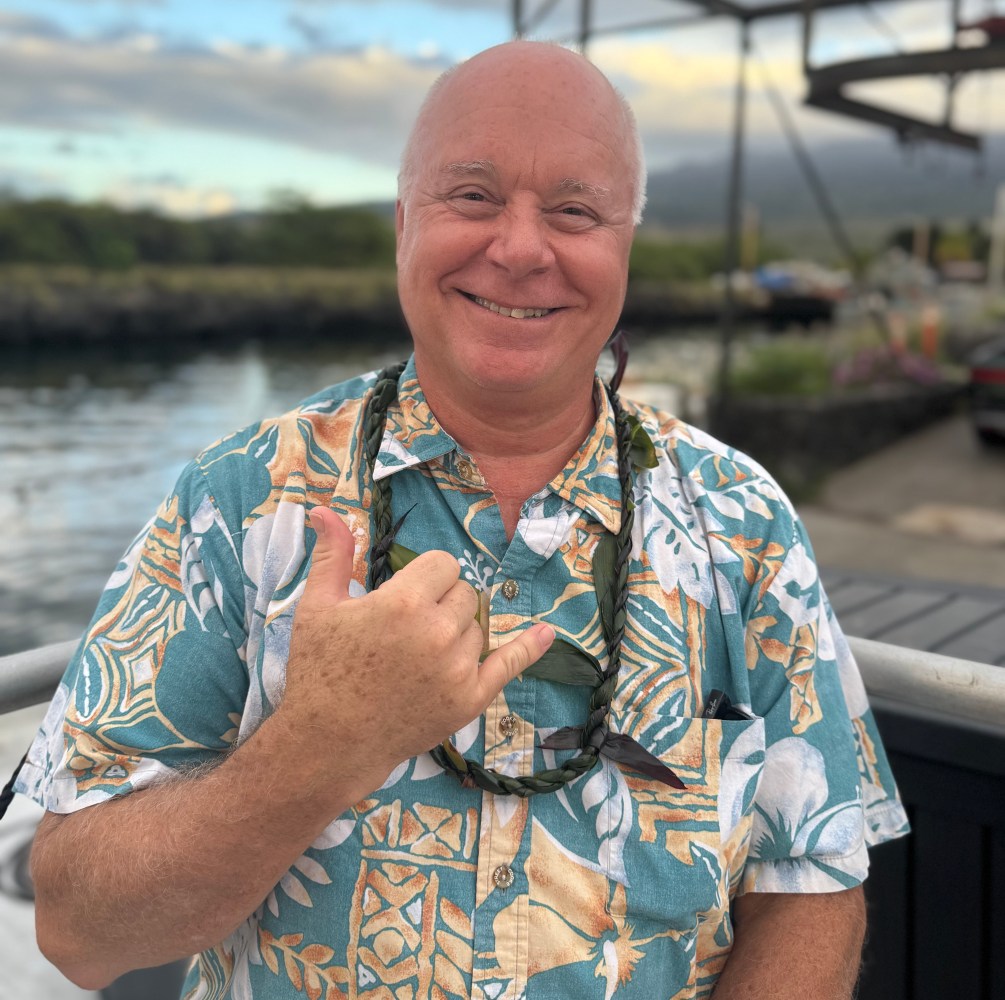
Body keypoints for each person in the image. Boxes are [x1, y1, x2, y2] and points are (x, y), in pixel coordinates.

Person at [18, 40, 907, 999]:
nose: (522, 248)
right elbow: (79, 932)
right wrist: (319, 744)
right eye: (473, 196)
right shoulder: (239, 501)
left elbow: (807, 880)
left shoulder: (745, 524)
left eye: (574, 210)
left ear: (622, 251)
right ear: (405, 223)